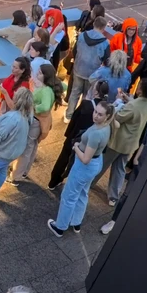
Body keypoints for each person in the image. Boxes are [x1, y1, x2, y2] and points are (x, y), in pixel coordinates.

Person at [48, 101, 115, 236]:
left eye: (100, 114)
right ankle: (76, 222)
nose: (95, 116)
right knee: (82, 193)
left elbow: (85, 159)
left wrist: (76, 147)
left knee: (69, 196)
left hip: (84, 167)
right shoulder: (107, 126)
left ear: (107, 116)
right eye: (95, 111)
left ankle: (60, 227)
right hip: (95, 163)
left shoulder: (97, 133)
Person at [101, 106, 147, 235]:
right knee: (126, 195)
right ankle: (113, 221)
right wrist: (136, 158)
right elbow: (144, 143)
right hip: (139, 165)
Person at [99, 78, 147, 205]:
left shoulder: (133, 106)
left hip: (118, 141)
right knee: (120, 169)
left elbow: (118, 117)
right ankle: (113, 196)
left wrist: (119, 102)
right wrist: (128, 100)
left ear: (143, 89)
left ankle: (89, 183)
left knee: (102, 164)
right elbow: (136, 105)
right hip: (131, 143)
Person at [48, 81, 109, 190]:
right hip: (89, 144)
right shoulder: (106, 111)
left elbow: (73, 121)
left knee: (63, 159)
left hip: (75, 137)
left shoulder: (86, 105)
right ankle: (69, 182)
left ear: (95, 91)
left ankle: (54, 181)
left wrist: (68, 135)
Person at [11, 64, 64, 183]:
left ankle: (17, 175)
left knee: (27, 149)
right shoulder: (49, 88)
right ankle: (23, 172)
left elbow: (44, 106)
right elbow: (63, 86)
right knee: (32, 147)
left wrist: (31, 107)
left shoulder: (45, 90)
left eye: (40, 72)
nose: (37, 74)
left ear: (45, 76)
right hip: (41, 122)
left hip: (35, 122)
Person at [66, 14, 112, 116]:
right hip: (93, 73)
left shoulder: (82, 35)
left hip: (78, 68)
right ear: (104, 28)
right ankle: (79, 116)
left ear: (94, 24)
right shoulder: (105, 43)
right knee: (87, 95)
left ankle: (69, 115)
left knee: (74, 92)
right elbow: (107, 60)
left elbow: (74, 51)